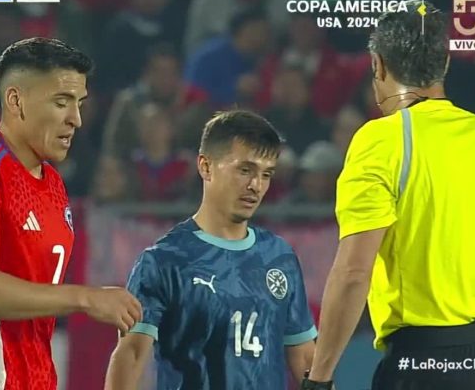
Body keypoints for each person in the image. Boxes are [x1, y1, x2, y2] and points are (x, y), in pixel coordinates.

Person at [302, 0, 475, 390]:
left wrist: (319, 378)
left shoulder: (381, 141)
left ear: (378, 66)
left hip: (425, 361)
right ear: (444, 63)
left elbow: (353, 274)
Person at [0, 37, 143, 390]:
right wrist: (85, 298)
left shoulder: (53, 184)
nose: (76, 119)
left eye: (80, 103)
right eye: (61, 102)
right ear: (15, 101)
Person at [104, 110, 317, 390]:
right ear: (205, 167)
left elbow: (305, 357)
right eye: (245, 170)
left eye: (266, 174)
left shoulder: (279, 257)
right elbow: (131, 354)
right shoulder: (164, 261)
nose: (256, 185)